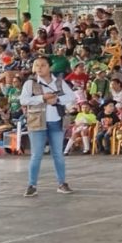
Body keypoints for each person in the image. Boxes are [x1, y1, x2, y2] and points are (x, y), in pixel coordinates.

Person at [20, 55, 76, 197]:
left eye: (43, 65)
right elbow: (23, 100)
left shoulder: (59, 82)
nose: (39, 68)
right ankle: (32, 185)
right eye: (37, 65)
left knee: (58, 154)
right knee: (36, 155)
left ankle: (62, 183)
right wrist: (42, 98)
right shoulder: (30, 83)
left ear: (50, 67)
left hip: (56, 121)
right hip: (37, 122)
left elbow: (71, 96)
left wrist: (57, 100)